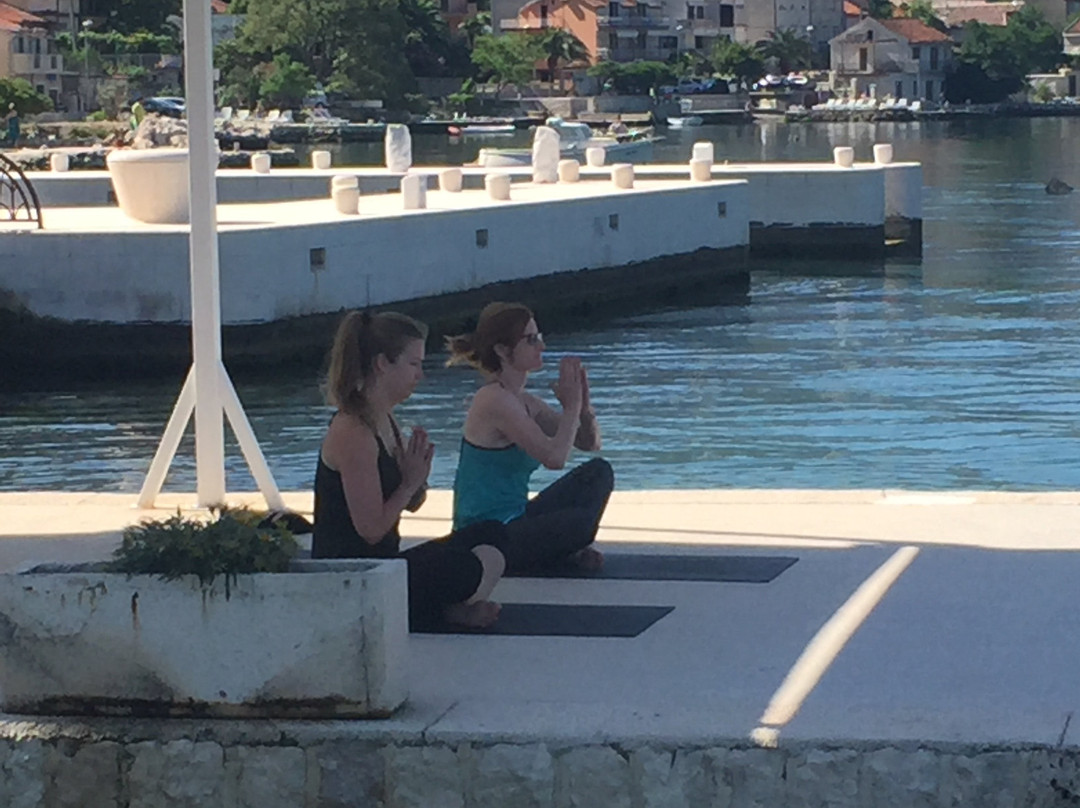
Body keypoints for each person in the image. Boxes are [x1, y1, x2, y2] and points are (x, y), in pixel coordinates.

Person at [312, 310, 507, 629]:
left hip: (386, 566)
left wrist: (416, 480)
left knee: (492, 534)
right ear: (382, 364)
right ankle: (437, 613)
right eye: (413, 364)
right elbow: (371, 530)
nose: (421, 375)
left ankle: (431, 610)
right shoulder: (354, 430)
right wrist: (407, 485)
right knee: (464, 567)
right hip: (355, 579)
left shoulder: (385, 418)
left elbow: (411, 503)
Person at [446, 302, 613, 573]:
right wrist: (570, 407)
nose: (541, 346)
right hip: (486, 536)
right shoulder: (493, 400)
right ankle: (559, 553)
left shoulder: (525, 402)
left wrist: (584, 408)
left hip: (517, 517)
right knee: (578, 523)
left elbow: (588, 443)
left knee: (598, 473)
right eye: (531, 340)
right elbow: (554, 459)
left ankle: (561, 551)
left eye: (540, 337)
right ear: (502, 350)